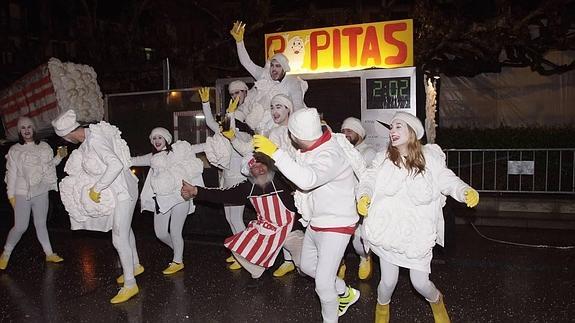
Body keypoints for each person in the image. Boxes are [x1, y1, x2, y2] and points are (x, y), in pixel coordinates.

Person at [356, 111, 480, 323]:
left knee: (420, 283)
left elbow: (446, 179)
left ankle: (437, 300)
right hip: (389, 228)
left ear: (412, 132)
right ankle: (382, 310)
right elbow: (368, 178)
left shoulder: (430, 158)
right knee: (387, 281)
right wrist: (364, 195)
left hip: (417, 232)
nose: (392, 131)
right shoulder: (383, 158)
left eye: (398, 127)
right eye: (391, 128)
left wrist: (464, 191)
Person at [253, 108, 361, 322]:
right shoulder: (313, 145)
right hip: (317, 220)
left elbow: (307, 179)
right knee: (307, 265)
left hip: (337, 225)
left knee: (322, 284)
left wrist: (275, 153)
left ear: (295, 136)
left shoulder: (330, 154)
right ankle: (346, 293)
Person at [51, 110, 141, 304]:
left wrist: (96, 188)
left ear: (67, 135)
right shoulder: (91, 136)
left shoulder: (95, 140)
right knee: (126, 229)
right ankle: (134, 265)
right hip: (125, 187)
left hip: (122, 191)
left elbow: (115, 164)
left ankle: (130, 284)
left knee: (118, 237)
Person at [181, 153, 303, 287]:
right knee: (237, 247)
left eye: (262, 164)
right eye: (255, 166)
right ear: (249, 172)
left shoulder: (282, 180)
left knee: (305, 265)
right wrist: (195, 191)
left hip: (289, 229)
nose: (260, 168)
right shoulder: (247, 187)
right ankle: (258, 274)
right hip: (266, 230)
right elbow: (222, 194)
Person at [131, 127, 204, 275]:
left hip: (180, 196)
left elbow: (196, 147)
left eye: (160, 137)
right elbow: (133, 160)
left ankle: (178, 261)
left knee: (176, 231)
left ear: (166, 139)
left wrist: (217, 141)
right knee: (161, 233)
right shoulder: (151, 157)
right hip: (162, 200)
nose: (157, 141)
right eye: (154, 138)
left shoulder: (177, 151)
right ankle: (178, 250)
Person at [0, 117, 66, 270]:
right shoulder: (15, 150)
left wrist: (59, 157)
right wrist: (11, 195)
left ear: (34, 129)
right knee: (20, 226)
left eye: (29, 127)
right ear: (19, 131)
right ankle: (6, 253)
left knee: (41, 224)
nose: (27, 130)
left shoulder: (44, 147)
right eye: (23, 128)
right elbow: (12, 174)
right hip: (22, 193)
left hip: (41, 192)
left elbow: (48, 168)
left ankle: (49, 253)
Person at [199, 87, 250, 270]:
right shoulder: (225, 135)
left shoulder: (241, 137)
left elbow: (229, 128)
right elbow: (211, 122)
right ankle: (239, 251)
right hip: (227, 183)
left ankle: (246, 254)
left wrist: (230, 113)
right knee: (230, 218)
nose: (224, 125)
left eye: (230, 120)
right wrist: (206, 103)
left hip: (238, 184)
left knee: (236, 219)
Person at [230, 20, 307, 133]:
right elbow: (247, 63)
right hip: (256, 128)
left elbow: (297, 105)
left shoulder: (292, 82)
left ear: (284, 68)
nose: (274, 69)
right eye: (272, 66)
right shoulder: (264, 76)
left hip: (278, 129)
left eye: (278, 66)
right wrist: (239, 42)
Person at [338, 117, 378, 281]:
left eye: (349, 131)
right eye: (342, 131)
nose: (345, 134)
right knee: (337, 238)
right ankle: (338, 263)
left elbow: (368, 177)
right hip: (341, 202)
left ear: (359, 133)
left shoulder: (369, 152)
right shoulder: (340, 151)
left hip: (359, 203)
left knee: (358, 240)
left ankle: (364, 257)